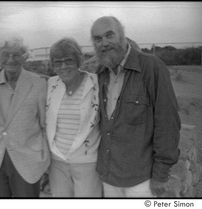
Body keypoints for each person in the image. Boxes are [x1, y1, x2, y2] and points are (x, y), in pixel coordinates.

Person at [90, 16, 181, 197]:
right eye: (98, 39)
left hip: (141, 181)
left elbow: (167, 122)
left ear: (122, 35)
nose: (104, 43)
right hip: (109, 177)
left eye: (109, 35)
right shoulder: (100, 73)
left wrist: (161, 175)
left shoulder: (151, 67)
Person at [0, 35, 50, 197]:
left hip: (27, 161)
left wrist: (40, 154)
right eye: (6, 54)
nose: (11, 59)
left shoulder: (39, 84)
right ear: (0, 57)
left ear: (24, 57)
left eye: (16, 55)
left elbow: (44, 124)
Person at [46, 37, 102, 197]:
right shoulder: (51, 84)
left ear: (78, 61)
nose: (63, 66)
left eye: (69, 61)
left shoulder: (97, 84)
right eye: (58, 62)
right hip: (57, 160)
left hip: (87, 161)